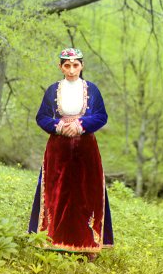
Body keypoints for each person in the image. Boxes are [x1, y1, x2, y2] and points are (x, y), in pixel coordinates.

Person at [28, 48, 113, 261]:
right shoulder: (52, 91)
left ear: (82, 66)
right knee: (57, 192)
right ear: (60, 67)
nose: (72, 69)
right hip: (59, 149)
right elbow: (42, 117)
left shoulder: (92, 90)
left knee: (85, 192)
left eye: (76, 65)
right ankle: (54, 240)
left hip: (86, 149)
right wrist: (58, 126)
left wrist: (81, 125)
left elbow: (101, 116)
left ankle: (87, 245)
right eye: (67, 65)